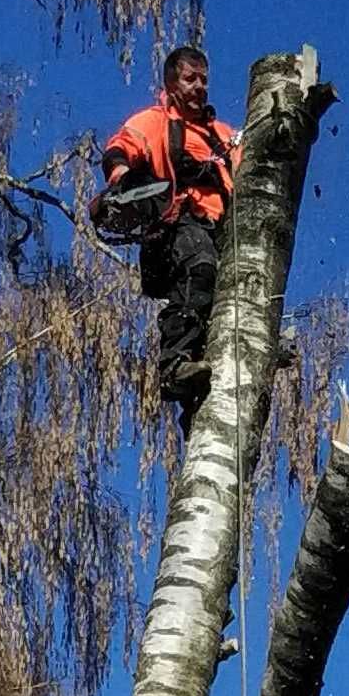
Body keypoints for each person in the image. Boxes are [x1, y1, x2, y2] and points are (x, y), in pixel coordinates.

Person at [97, 44, 242, 420]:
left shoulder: (223, 135)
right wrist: (122, 179)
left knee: (235, 293)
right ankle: (175, 364)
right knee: (200, 269)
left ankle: (231, 364)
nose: (199, 87)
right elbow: (121, 148)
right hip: (179, 221)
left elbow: (250, 168)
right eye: (190, 79)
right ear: (171, 82)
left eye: (204, 80)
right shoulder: (155, 121)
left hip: (224, 228)